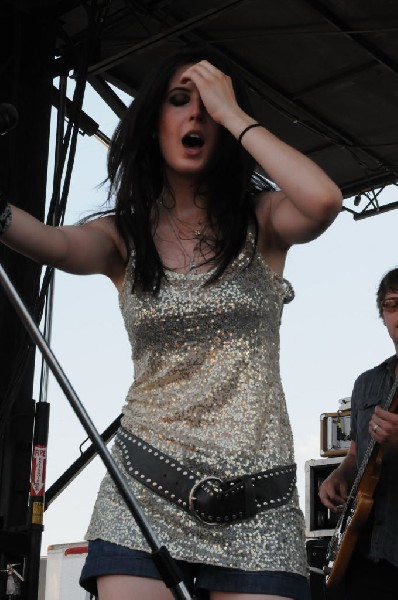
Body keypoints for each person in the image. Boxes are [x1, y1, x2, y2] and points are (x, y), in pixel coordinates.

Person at [0, 46, 342, 600]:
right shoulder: (121, 237)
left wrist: (235, 114)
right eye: (179, 101)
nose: (196, 116)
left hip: (259, 504)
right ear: (151, 122)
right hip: (144, 489)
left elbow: (323, 200)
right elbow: (54, 243)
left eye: (209, 105)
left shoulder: (264, 221)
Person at [318, 268, 398, 600]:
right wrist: (338, 476)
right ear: (382, 315)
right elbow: (355, 455)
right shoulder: (366, 382)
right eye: (392, 304)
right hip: (365, 553)